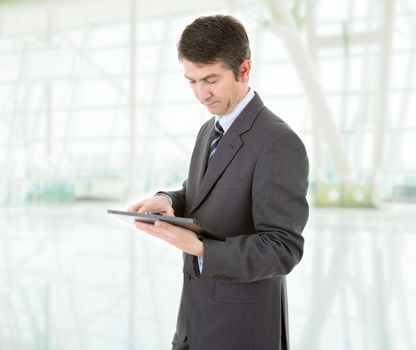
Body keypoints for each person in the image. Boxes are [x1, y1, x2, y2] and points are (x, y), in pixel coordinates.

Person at [128, 15, 309, 350]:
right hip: (193, 326)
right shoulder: (209, 130)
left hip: (241, 332)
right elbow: (202, 191)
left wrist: (199, 248)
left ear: (244, 70)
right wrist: (169, 200)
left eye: (211, 79)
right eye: (191, 81)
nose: (201, 93)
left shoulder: (278, 142)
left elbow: (283, 248)